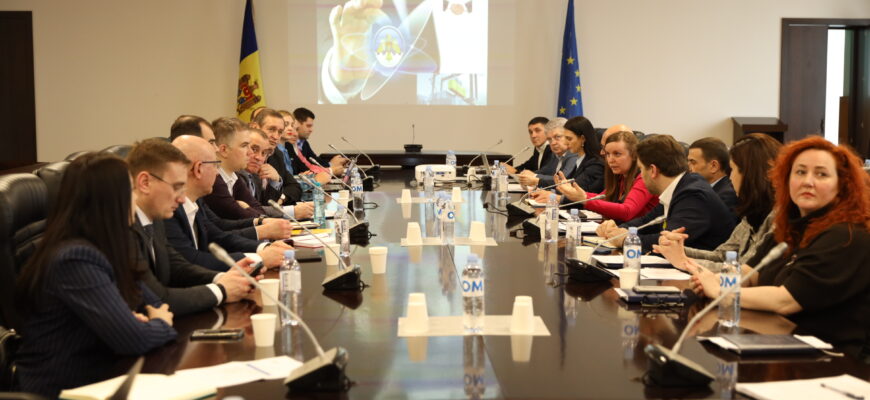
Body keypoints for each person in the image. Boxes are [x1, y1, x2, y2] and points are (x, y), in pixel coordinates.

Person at [689, 136, 870, 356]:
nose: (808, 182)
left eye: (821, 174)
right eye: (800, 172)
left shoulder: (848, 235)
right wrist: (713, 279)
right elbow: (749, 275)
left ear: (842, 185)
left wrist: (721, 291)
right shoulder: (790, 227)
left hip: (828, 358)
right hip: (776, 341)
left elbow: (785, 300)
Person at [14, 153, 177, 398]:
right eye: (131, 190)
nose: (136, 199)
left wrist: (138, 321)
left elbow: (154, 303)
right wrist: (160, 323)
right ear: (110, 200)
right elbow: (135, 338)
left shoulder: (108, 247)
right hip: (65, 391)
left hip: (106, 378)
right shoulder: (74, 258)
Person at [127, 138, 257, 315]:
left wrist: (224, 278)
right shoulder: (124, 230)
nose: (182, 199)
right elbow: (157, 297)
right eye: (176, 187)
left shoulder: (154, 218)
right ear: (145, 183)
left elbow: (176, 266)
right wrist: (222, 290)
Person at [654, 133, 781, 271]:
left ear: (750, 174)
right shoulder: (751, 213)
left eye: (733, 169)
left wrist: (683, 261)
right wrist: (677, 250)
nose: (730, 177)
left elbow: (746, 272)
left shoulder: (777, 218)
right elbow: (721, 256)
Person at [165, 135, 292, 272]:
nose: (217, 172)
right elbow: (191, 260)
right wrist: (259, 258)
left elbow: (217, 236)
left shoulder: (197, 201)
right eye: (215, 165)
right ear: (198, 169)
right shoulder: (168, 209)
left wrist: (264, 248)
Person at [597, 134, 734, 252]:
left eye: (641, 169)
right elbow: (648, 220)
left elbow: (668, 241)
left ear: (653, 170)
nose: (641, 176)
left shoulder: (693, 195)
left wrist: (626, 239)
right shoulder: (681, 187)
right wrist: (619, 230)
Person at [539, 131, 658, 223]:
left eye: (617, 154)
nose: (610, 160)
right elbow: (603, 198)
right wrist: (574, 193)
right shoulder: (620, 177)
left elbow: (627, 211)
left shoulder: (644, 178)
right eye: (608, 154)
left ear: (634, 155)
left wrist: (583, 198)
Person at [203, 117, 279, 219]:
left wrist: (248, 209)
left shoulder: (234, 177)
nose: (250, 152)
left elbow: (259, 210)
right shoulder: (214, 181)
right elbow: (238, 216)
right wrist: (249, 210)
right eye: (244, 146)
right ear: (224, 150)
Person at [250, 108, 305, 203]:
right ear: (255, 127)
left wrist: (281, 198)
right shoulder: (246, 157)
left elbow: (295, 187)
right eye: (271, 129)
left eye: (280, 132)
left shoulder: (276, 154)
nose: (276, 137)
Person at [687, 137, 737, 220]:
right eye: (688, 162)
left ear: (714, 166)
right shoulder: (705, 190)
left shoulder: (726, 196)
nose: (689, 168)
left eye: (693, 162)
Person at [517, 118, 576, 188]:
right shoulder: (556, 155)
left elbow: (563, 179)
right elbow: (545, 171)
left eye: (557, 137)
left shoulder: (574, 154)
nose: (553, 143)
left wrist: (535, 177)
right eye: (549, 139)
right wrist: (527, 174)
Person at [291, 107, 348, 175]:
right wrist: (331, 167)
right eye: (308, 126)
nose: (311, 130)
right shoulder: (288, 145)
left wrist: (331, 165)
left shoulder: (303, 143)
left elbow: (313, 161)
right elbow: (305, 168)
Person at [561, 116, 604, 193]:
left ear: (583, 139)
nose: (565, 143)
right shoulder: (580, 159)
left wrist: (553, 194)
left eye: (569, 139)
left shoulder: (596, 165)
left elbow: (575, 190)